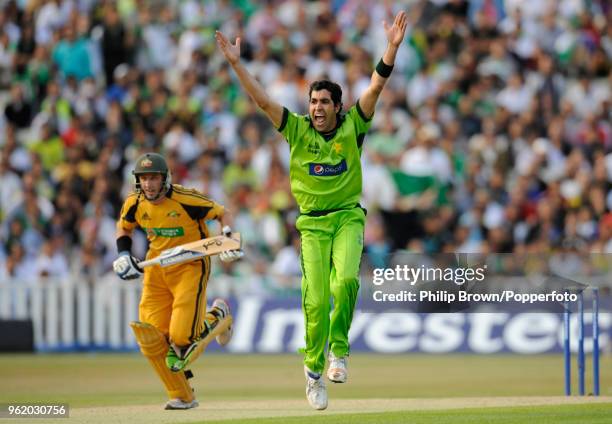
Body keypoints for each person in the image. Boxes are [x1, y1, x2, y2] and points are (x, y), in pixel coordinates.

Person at [216, 11, 407, 410]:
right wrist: (237, 64)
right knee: (317, 301)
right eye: (313, 101)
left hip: (348, 217)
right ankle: (314, 372)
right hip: (312, 227)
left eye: (324, 102)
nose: (317, 108)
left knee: (345, 284)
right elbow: (262, 100)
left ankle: (340, 351)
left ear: (338, 106)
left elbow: (374, 88)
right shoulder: (297, 129)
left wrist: (390, 48)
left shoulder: (354, 124)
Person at [112, 152, 243, 410]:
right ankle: (183, 395)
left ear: (165, 179)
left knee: (182, 339)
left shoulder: (186, 199)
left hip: (191, 266)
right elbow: (124, 227)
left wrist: (228, 236)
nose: (149, 184)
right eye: (144, 178)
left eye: (154, 178)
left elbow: (223, 214)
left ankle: (219, 314)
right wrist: (124, 254)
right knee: (151, 338)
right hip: (157, 269)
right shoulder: (134, 202)